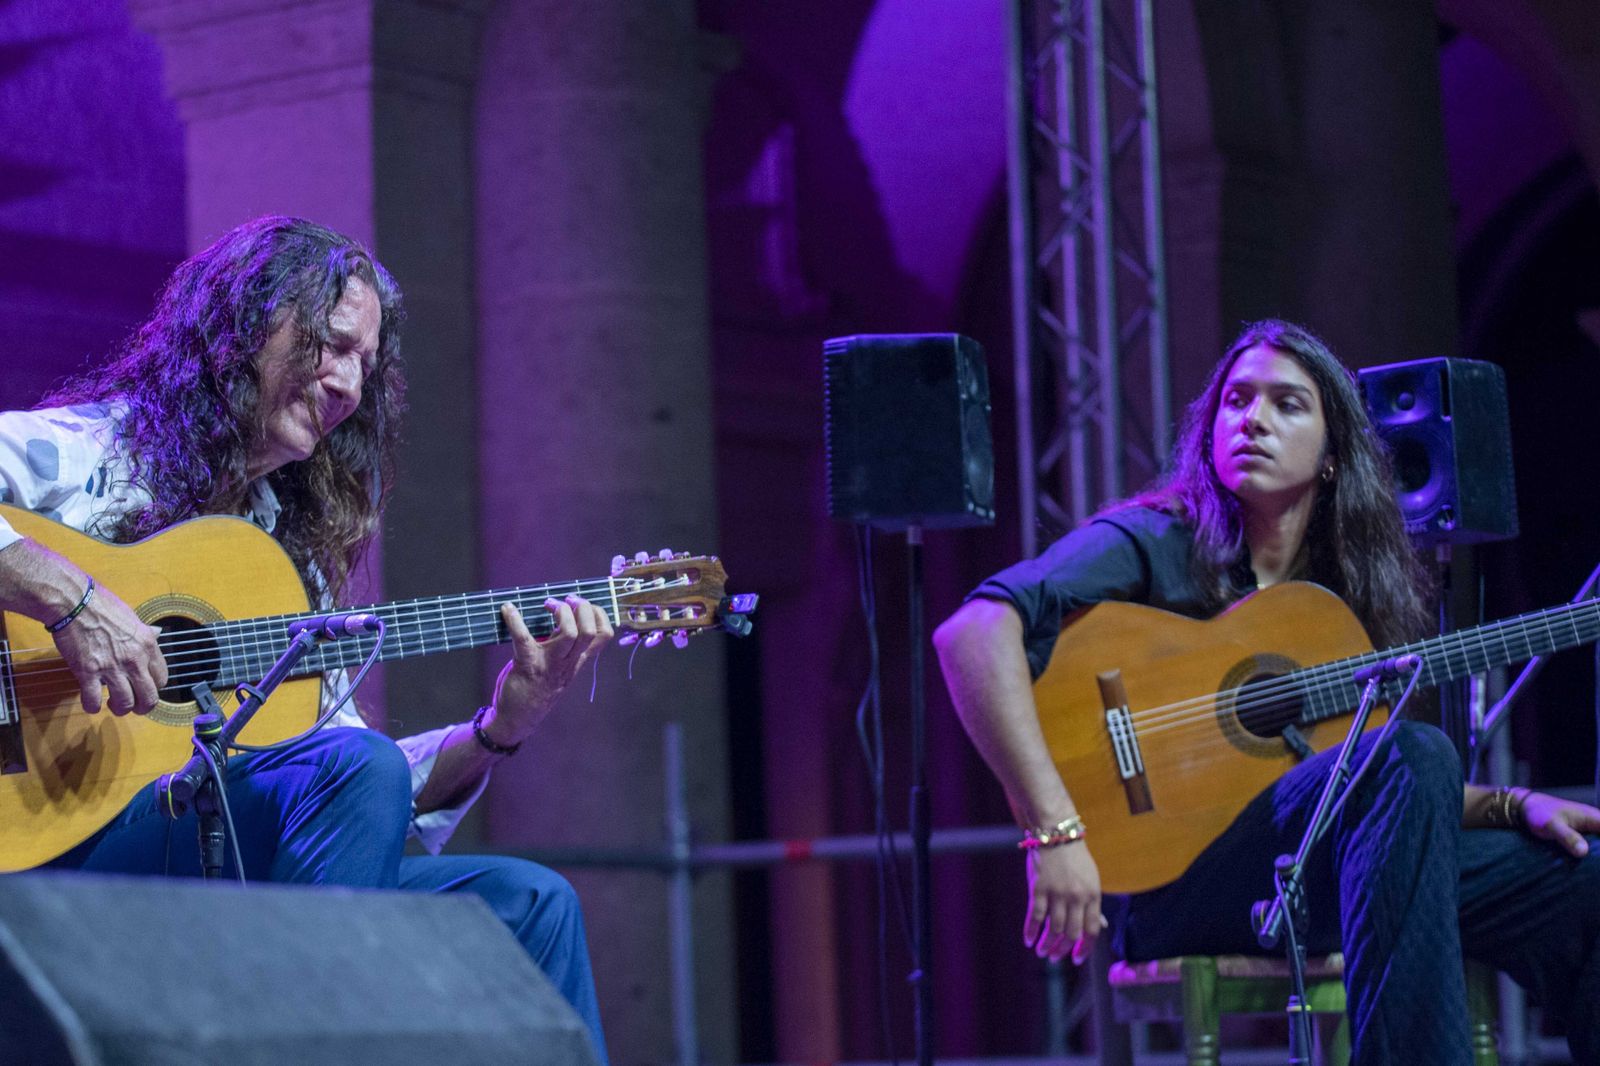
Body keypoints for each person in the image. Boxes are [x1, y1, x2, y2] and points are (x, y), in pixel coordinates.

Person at [0, 216, 613, 1062]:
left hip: (205, 861)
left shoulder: (284, 566)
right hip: (54, 834)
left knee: (529, 902)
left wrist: (498, 729)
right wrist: (69, 598)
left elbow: (359, 787)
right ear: (245, 330)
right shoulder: (89, 454)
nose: (347, 386)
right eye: (329, 346)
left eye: (365, 364)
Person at [934, 319, 1600, 1063]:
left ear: (1332, 455)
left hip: (1309, 871)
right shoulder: (1158, 539)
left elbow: (1374, 787)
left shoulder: (1343, 596)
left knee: (1581, 882)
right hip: (1177, 885)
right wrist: (1053, 829)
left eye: (1287, 404)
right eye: (1236, 399)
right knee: (1413, 749)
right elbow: (970, 635)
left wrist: (1512, 807)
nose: (1253, 418)